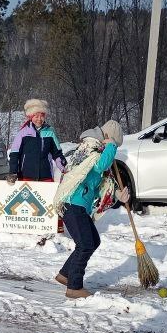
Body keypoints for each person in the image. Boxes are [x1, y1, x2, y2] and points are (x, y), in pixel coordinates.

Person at [52, 121, 125, 298]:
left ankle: (65, 274)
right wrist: (111, 147)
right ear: (108, 138)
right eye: (114, 144)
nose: (113, 150)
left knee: (93, 240)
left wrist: (118, 194)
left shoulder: (96, 150)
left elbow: (101, 182)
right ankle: (74, 287)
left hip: (80, 205)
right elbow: (101, 165)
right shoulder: (89, 147)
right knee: (85, 245)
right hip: (72, 203)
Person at [7, 99, 66, 182]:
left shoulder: (50, 132)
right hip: (26, 176)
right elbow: (14, 154)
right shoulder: (23, 133)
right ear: (31, 117)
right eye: (36, 116)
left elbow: (57, 154)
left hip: (46, 176)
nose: (39, 119)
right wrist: (13, 172)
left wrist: (63, 167)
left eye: (42, 116)